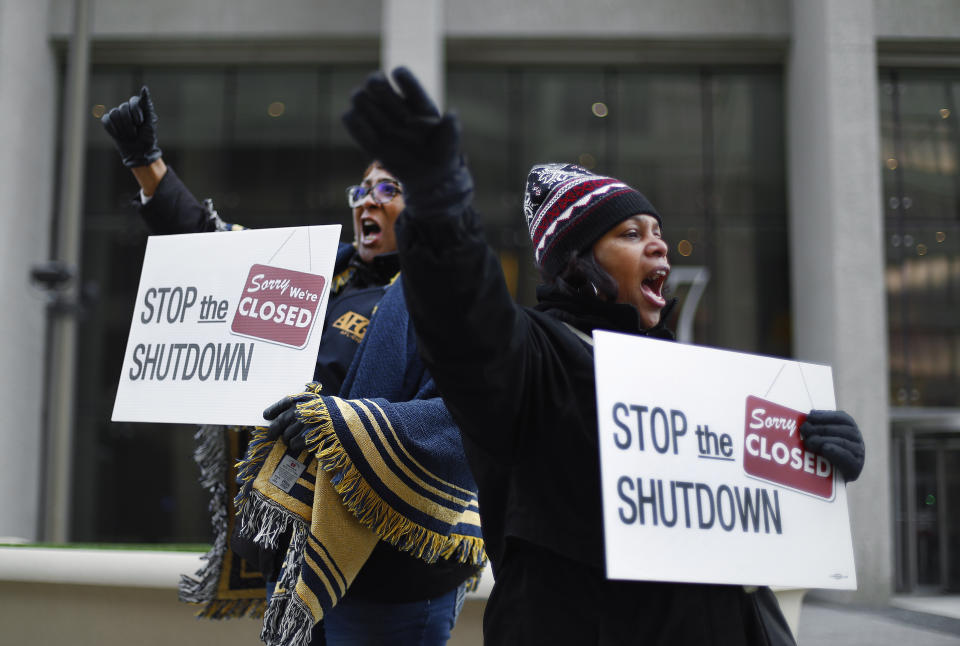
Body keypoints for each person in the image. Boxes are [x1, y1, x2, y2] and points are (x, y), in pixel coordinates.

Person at [341, 67, 867, 645]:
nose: (659, 243)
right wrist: (442, 210)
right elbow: (467, 317)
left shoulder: (698, 381)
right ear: (576, 262)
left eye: (657, 231)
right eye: (630, 234)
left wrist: (813, 459)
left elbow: (744, 519)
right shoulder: (535, 360)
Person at [101, 87, 485, 646]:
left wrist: (338, 424)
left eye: (388, 189)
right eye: (361, 188)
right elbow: (215, 257)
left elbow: (463, 421)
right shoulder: (320, 275)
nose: (365, 201)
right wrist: (147, 164)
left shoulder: (457, 301)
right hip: (300, 560)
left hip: (393, 580)